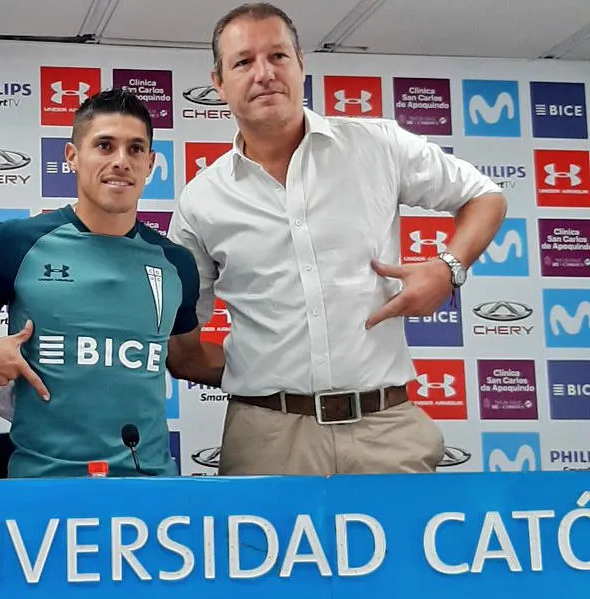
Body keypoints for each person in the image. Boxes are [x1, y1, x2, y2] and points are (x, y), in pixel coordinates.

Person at [168, 3, 507, 476]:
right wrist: (255, 366)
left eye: (278, 56)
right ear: (219, 82)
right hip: (268, 438)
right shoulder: (200, 201)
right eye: (243, 62)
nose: (264, 73)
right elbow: (182, 349)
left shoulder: (378, 145)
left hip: (386, 430)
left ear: (301, 63)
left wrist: (448, 267)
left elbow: (484, 196)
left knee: (405, 550)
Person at [0, 89, 224, 478]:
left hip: (152, 487)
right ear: (72, 157)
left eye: (135, 149)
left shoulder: (176, 263)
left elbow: (188, 358)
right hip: (41, 485)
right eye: (105, 146)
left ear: (151, 165)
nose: (120, 161)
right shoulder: (18, 242)